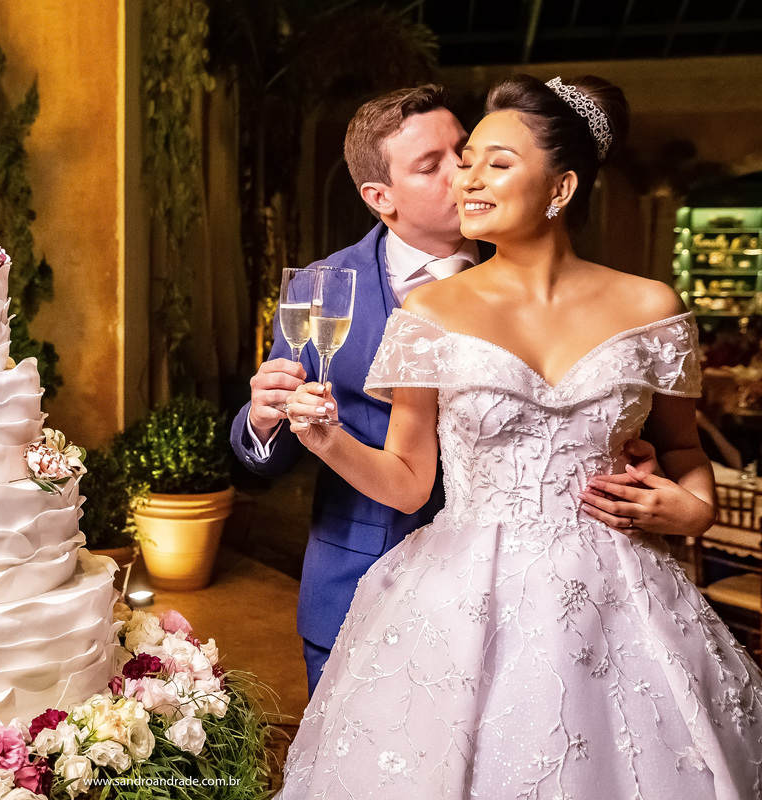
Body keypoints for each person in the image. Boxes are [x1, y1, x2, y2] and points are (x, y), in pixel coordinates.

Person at [278, 74, 762, 798]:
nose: (467, 178)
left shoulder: (651, 307)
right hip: (460, 601)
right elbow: (409, 480)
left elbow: (687, 454)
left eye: (494, 163)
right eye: (466, 159)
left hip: (622, 602)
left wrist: (689, 510)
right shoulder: (430, 313)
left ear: (561, 189)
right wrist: (324, 438)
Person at [230, 85, 483, 696]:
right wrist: (264, 421)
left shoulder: (530, 276)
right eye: (431, 165)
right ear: (379, 197)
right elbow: (278, 450)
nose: (463, 174)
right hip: (355, 576)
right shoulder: (319, 286)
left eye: (465, 152)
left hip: (491, 585)